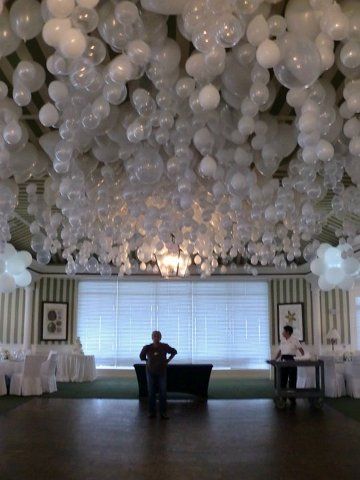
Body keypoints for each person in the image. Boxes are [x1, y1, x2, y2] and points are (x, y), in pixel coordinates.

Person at [139, 331, 177, 419]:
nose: (156, 338)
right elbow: (141, 357)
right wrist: (148, 361)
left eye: (158, 336)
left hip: (162, 372)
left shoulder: (165, 346)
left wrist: (168, 360)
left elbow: (174, 352)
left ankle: (163, 413)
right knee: (151, 392)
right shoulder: (147, 347)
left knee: (163, 392)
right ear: (152, 337)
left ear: (160, 337)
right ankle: (151, 412)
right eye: (154, 336)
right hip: (150, 372)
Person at [275, 325, 304, 406]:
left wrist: (303, 358)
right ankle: (283, 397)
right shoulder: (282, 339)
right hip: (283, 359)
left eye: (283, 331)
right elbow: (280, 351)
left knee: (292, 379)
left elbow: (301, 350)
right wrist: (275, 359)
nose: (282, 333)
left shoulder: (295, 340)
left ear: (287, 332)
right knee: (283, 379)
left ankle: (292, 398)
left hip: (292, 359)